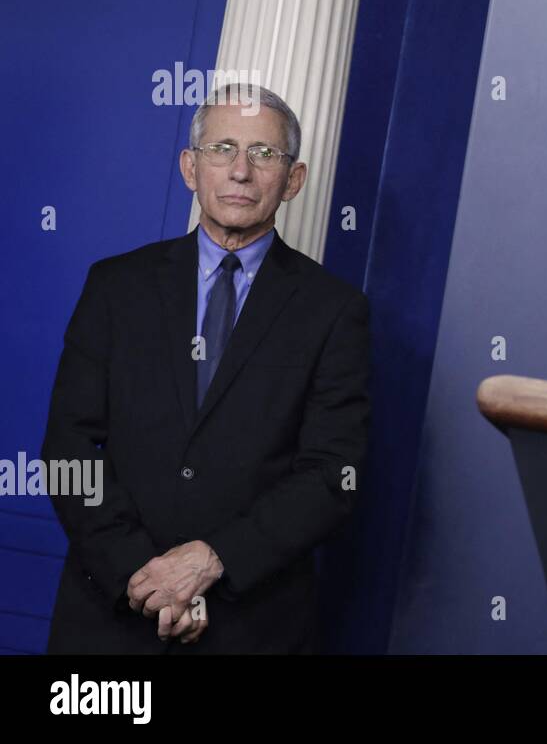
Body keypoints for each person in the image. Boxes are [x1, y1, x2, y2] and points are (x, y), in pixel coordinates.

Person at [43, 83, 370, 652]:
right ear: (190, 168)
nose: (241, 171)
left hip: (251, 626)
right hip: (108, 621)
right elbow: (68, 450)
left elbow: (330, 478)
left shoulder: (336, 312)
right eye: (222, 148)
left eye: (264, 154)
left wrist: (212, 560)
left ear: (294, 180)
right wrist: (141, 576)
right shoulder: (116, 287)